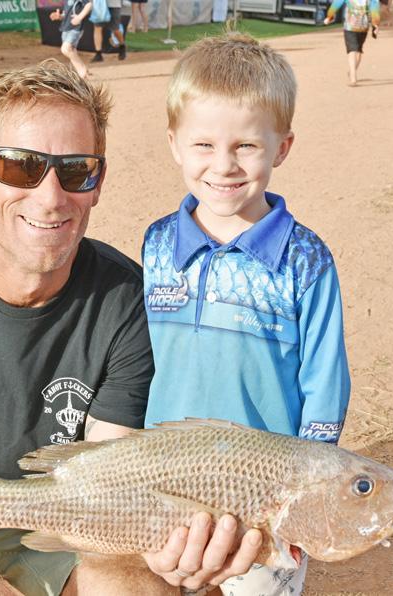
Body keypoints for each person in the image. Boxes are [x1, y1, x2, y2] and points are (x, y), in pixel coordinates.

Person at [0, 60, 262, 595]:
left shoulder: (127, 302)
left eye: (76, 170)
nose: (52, 197)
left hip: (61, 527)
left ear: (98, 183)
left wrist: (178, 556)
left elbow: (113, 492)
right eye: (20, 167)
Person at [142, 34, 351, 595]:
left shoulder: (306, 259)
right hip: (166, 487)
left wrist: (308, 498)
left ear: (282, 147)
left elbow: (325, 385)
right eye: (203, 144)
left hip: (264, 499)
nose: (224, 165)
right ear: (174, 144)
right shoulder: (157, 244)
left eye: (246, 146)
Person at [324, 0, 380, 86]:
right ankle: (353, 76)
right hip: (362, 27)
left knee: (353, 50)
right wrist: (375, 25)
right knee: (357, 50)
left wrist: (329, 16)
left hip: (351, 26)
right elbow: (374, 8)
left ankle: (352, 73)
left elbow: (337, 3)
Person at [50, 0, 93, 78]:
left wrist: (79, 17)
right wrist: (59, 16)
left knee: (65, 49)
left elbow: (89, 5)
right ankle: (83, 72)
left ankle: (82, 69)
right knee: (71, 51)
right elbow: (66, 14)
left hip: (76, 28)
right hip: (66, 28)